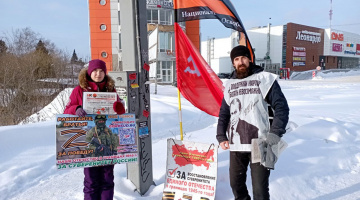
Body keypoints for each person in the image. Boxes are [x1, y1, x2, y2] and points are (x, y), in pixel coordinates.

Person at [216, 45, 289, 200]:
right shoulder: (229, 85)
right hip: (236, 145)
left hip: (260, 143)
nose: (240, 62)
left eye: (243, 58)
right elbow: (224, 114)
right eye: (236, 59)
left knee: (260, 191)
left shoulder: (264, 79)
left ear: (249, 59)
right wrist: (221, 136)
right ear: (233, 63)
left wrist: (275, 134)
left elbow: (281, 108)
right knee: (236, 185)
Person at [64, 59, 125, 200]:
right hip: (90, 145)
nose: (98, 74)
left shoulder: (110, 90)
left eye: (101, 71)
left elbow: (119, 114)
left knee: (107, 180)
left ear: (105, 73)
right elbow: (66, 110)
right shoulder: (79, 90)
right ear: (89, 72)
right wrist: (76, 108)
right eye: (95, 71)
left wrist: (120, 109)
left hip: (108, 145)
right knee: (91, 181)